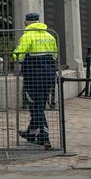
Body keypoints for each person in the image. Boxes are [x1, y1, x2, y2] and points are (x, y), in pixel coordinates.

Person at [11, 12, 58, 148]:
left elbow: (18, 56)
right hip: (49, 76)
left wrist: (16, 58)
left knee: (35, 107)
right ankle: (31, 133)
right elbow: (54, 56)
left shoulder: (27, 36)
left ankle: (44, 137)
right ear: (39, 21)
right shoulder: (50, 35)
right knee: (40, 105)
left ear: (26, 22)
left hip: (33, 77)